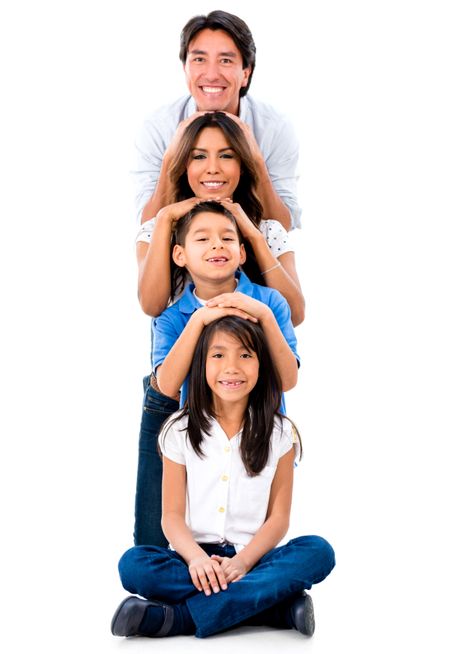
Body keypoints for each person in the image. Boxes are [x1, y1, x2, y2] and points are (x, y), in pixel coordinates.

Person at [111, 316, 335, 639]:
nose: (232, 367)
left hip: (254, 560)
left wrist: (243, 563)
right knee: (134, 564)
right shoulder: (179, 430)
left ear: (262, 364)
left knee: (318, 552)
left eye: (245, 355)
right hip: (194, 561)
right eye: (218, 355)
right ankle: (275, 608)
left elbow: (279, 519)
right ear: (201, 364)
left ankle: (180, 618)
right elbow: (171, 517)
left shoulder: (281, 433)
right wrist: (198, 561)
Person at [134, 202, 299, 547]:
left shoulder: (271, 302)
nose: (216, 245)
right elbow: (165, 385)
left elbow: (288, 380)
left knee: (282, 541)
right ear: (179, 255)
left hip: (258, 436)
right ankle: (233, 590)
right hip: (200, 443)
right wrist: (199, 319)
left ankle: (228, 583)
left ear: (242, 252)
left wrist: (265, 318)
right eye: (203, 239)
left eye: (226, 238)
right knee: (142, 561)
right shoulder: (171, 316)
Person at [134, 10, 301, 231]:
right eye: (199, 59)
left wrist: (255, 158)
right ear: (185, 68)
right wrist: (172, 157)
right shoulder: (158, 126)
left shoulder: (274, 127)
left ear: (246, 73)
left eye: (225, 60)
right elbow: (148, 229)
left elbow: (283, 228)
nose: (211, 74)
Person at [136, 111, 305, 325]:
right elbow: (152, 306)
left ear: (242, 166)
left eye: (227, 156)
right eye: (198, 156)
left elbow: (295, 316)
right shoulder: (157, 227)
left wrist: (253, 236)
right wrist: (164, 218)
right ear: (184, 166)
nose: (213, 169)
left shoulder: (268, 231)